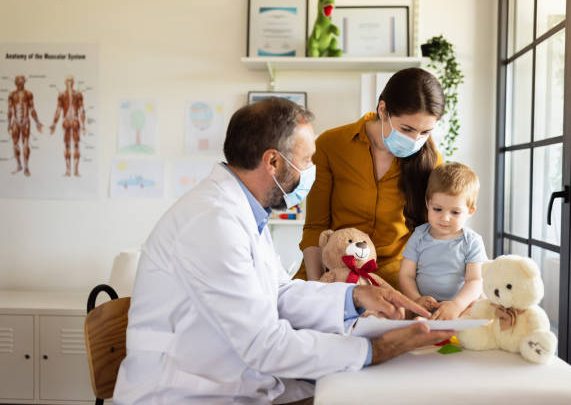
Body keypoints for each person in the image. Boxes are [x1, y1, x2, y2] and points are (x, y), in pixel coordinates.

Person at [112, 98, 453, 405]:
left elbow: (279, 293)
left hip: (228, 380)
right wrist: (374, 349)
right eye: (306, 159)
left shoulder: (241, 212)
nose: (310, 171)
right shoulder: (213, 222)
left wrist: (356, 297)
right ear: (272, 161)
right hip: (182, 393)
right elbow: (264, 345)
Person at [296, 68, 444, 289]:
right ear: (383, 110)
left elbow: (432, 234)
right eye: (407, 129)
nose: (415, 140)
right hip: (331, 270)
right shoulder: (331, 145)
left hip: (395, 278)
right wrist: (318, 289)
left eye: (425, 132)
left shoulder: (431, 161)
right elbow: (315, 227)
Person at [399, 162, 487, 320]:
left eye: (455, 212)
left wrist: (456, 305)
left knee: (480, 307)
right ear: (428, 203)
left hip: (460, 305)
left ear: (470, 211)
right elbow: (406, 275)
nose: (445, 218)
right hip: (423, 305)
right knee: (397, 310)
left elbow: (474, 280)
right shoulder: (419, 236)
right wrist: (416, 299)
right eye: (437, 209)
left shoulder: (472, 241)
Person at [50, 75, 86, 177]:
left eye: (70, 81)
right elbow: (58, 111)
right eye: (68, 81)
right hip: (69, 121)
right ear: (66, 83)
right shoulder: (63, 95)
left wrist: (83, 125)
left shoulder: (77, 95)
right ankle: (70, 171)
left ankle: (74, 171)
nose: (69, 83)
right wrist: (54, 124)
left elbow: (82, 110)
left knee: (75, 145)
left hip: (73, 121)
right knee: (69, 146)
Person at [7, 75, 43, 176]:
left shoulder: (29, 94)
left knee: (26, 145)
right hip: (15, 122)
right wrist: (9, 124)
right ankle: (19, 165)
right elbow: (10, 110)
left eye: (22, 81)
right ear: (16, 83)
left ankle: (26, 167)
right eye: (18, 82)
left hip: (26, 121)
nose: (20, 83)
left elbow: (32, 109)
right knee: (15, 144)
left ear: (24, 82)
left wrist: (37, 122)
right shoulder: (12, 94)